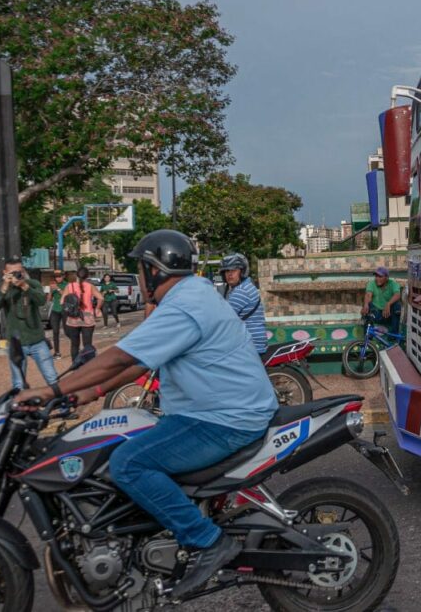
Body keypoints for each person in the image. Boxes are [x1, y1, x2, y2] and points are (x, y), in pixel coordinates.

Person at [16, 229, 278, 599]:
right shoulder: (192, 295)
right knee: (121, 442)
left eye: (140, 268)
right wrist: (88, 393)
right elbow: (140, 362)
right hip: (210, 412)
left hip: (224, 419)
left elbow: (121, 356)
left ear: (154, 269)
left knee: (128, 464)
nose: (139, 276)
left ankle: (207, 542)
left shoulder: (184, 304)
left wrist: (51, 389)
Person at [0, 256, 59, 390]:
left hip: (37, 339)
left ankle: (61, 403)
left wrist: (24, 286)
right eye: (12, 272)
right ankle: (22, 407)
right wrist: (5, 285)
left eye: (19, 271)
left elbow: (41, 301)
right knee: (19, 382)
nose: (17, 274)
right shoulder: (1, 287)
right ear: (5, 273)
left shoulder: (32, 284)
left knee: (52, 377)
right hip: (16, 342)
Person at [219, 253, 267, 353]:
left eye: (233, 270)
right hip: (247, 343)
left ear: (242, 272)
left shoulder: (242, 291)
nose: (229, 274)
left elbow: (223, 319)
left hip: (250, 346)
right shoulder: (245, 286)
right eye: (226, 271)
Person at [63, 267, 104, 358]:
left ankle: (75, 366)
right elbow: (101, 298)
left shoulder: (69, 286)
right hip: (87, 317)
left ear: (77, 274)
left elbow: (62, 301)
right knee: (87, 345)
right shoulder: (90, 286)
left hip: (73, 317)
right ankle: (87, 366)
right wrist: (97, 309)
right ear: (87, 276)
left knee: (74, 345)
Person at [363, 266, 402, 335]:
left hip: (389, 315)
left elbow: (397, 295)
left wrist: (388, 304)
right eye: (376, 276)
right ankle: (368, 335)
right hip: (376, 314)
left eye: (380, 276)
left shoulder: (393, 284)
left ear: (387, 278)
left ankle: (394, 334)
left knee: (397, 305)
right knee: (368, 306)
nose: (377, 278)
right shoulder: (372, 283)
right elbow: (368, 295)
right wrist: (366, 304)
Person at [46, 270, 68, 358]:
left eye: (59, 276)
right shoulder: (52, 285)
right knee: (55, 331)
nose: (57, 278)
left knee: (68, 331)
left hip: (65, 310)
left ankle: (76, 345)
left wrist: (58, 289)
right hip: (55, 310)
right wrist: (51, 291)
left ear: (63, 276)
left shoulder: (67, 284)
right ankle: (57, 352)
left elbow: (66, 296)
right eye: (56, 276)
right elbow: (49, 299)